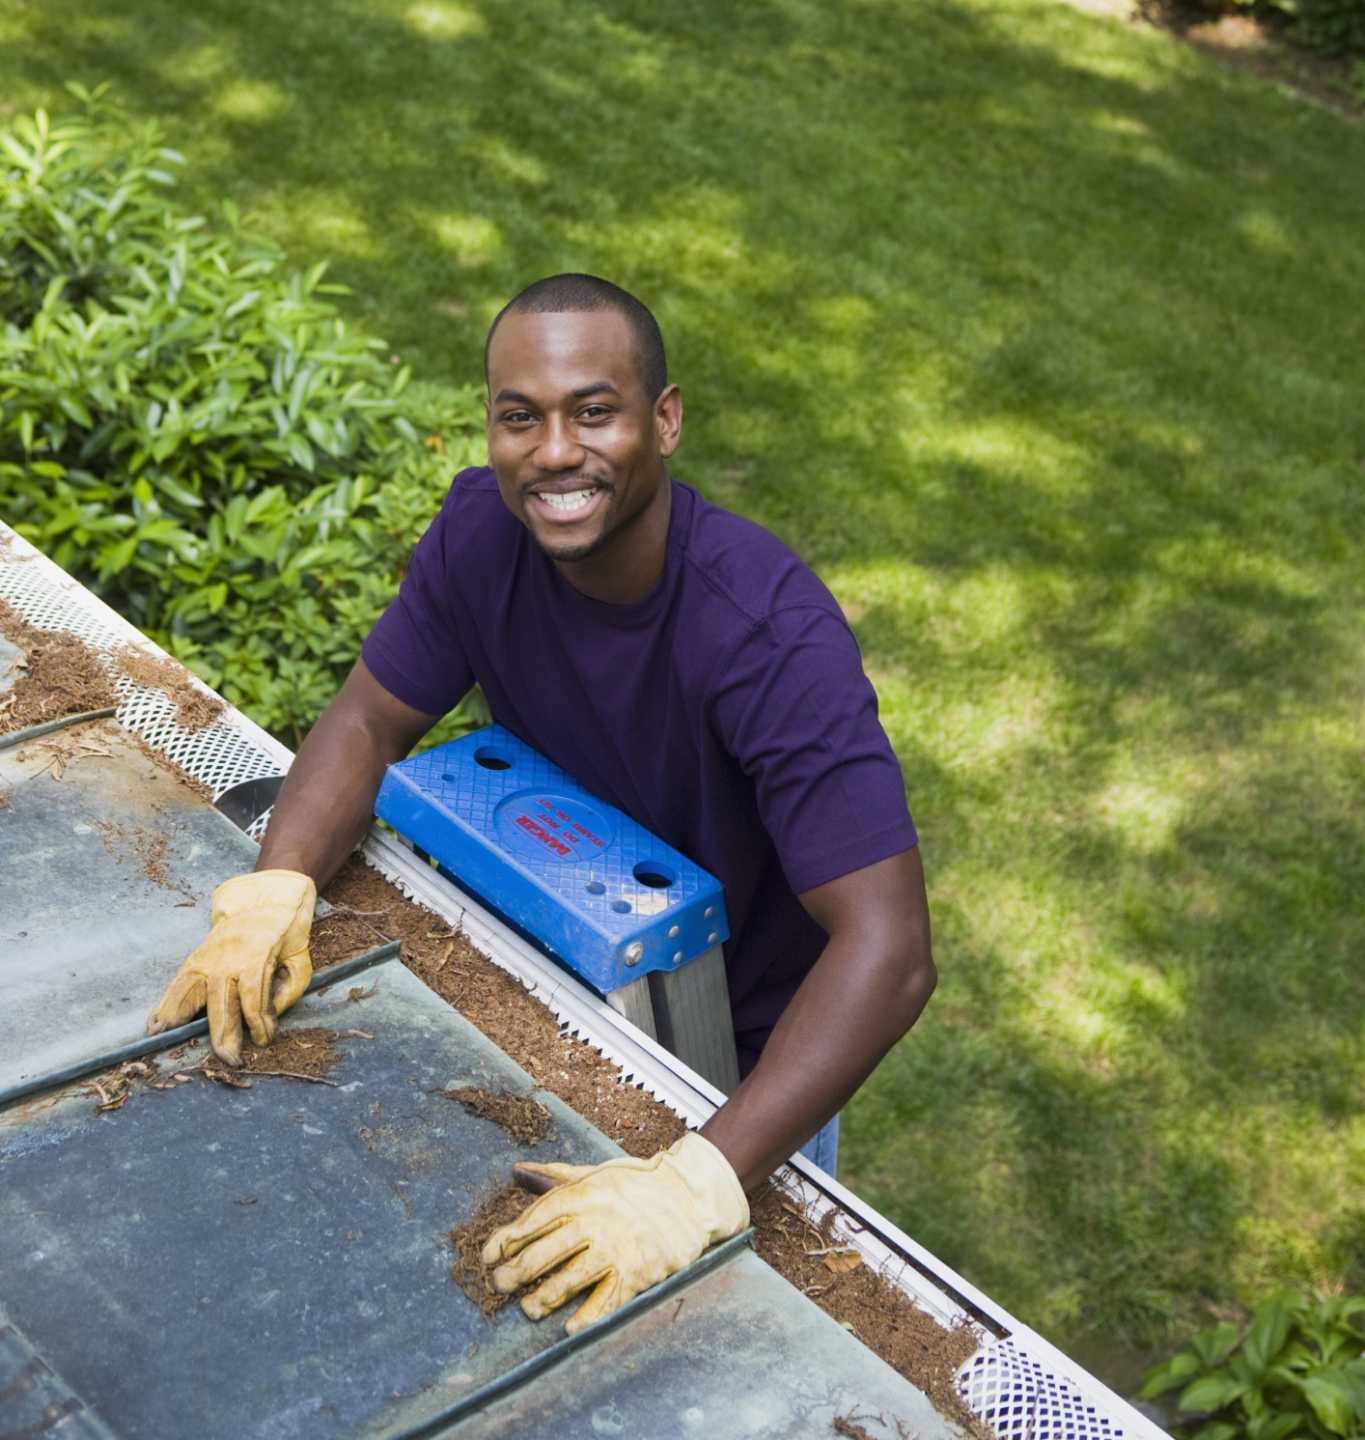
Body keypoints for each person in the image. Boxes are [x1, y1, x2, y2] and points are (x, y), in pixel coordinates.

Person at [149, 273, 936, 1335]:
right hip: (564, 979)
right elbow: (371, 721)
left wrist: (696, 1182)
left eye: (593, 410)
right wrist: (276, 882)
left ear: (665, 419)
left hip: (736, 1058)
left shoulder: (767, 632)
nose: (555, 450)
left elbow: (888, 949)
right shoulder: (484, 533)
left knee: (707, 1340)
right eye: (520, 416)